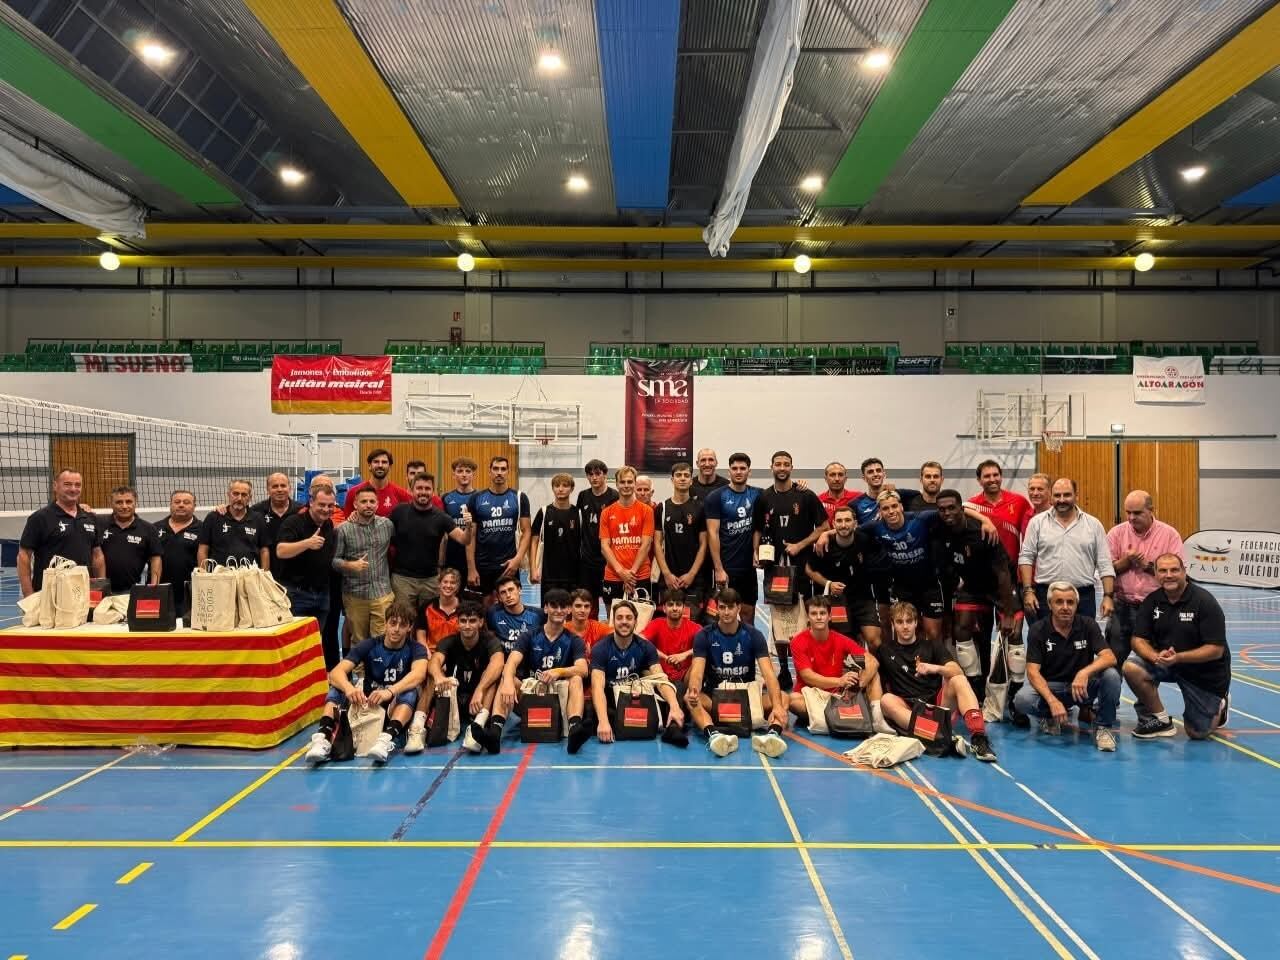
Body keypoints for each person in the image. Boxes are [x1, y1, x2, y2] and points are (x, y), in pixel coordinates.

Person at [304, 601, 428, 764]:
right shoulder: (370, 644)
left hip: (394, 704)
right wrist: (349, 688)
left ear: (409, 627)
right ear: (385, 623)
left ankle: (386, 740)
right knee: (338, 687)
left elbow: (418, 675)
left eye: (402, 625)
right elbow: (335, 673)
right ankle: (323, 738)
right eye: (393, 623)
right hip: (369, 702)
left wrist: (390, 691)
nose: (396, 629)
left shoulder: (415, 648)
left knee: (410, 691)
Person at [1124, 553, 1231, 741]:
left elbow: (1216, 650)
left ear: (1184, 572)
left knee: (1197, 733)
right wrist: (1154, 656)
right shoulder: (1152, 601)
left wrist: (1179, 657)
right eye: (1163, 571)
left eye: (1174, 570)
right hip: (1167, 664)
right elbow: (1138, 639)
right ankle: (1162, 721)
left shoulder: (1204, 602)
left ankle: (1219, 706)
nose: (1169, 575)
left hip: (1203, 674)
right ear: (1155, 574)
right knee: (1131, 668)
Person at [875, 601, 997, 762]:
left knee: (958, 680)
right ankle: (940, 736)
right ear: (892, 624)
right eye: (900, 622)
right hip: (909, 711)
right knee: (886, 700)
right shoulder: (884, 650)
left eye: (909, 621)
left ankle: (978, 738)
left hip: (936, 708)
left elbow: (957, 671)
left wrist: (934, 668)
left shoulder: (932, 646)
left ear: (916, 622)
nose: (905, 626)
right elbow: (874, 677)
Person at [684, 587, 789, 758]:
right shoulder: (704, 635)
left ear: (738, 608)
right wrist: (695, 689)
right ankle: (714, 735)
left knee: (783, 697)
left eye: (730, 607)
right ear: (716, 608)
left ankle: (772, 736)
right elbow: (697, 670)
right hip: (716, 698)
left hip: (748, 697)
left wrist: (777, 706)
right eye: (722, 607)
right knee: (690, 698)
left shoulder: (753, 635)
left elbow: (769, 674)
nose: (726, 612)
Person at [1014, 582, 1120, 751]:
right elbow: (1033, 672)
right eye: (1059, 602)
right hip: (1052, 687)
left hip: (1081, 688)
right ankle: (1049, 716)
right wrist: (1052, 701)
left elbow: (1109, 657)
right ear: (1049, 604)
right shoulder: (1038, 629)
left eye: (1070, 602)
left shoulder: (1087, 624)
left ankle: (1103, 728)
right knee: (1022, 700)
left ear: (1077, 604)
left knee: (1112, 676)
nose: (1065, 607)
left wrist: (1084, 673)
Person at [753, 450, 828, 688]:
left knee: (807, 617)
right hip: (775, 569)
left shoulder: (805, 495)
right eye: (778, 464)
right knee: (780, 621)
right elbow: (757, 529)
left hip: (803, 567)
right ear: (771, 467)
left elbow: (824, 526)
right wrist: (756, 552)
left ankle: (810, 669)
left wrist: (801, 545)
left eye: (786, 464)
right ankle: (784, 669)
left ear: (792, 467)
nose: (782, 467)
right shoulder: (764, 497)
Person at [934, 489, 1018, 700]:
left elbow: (1003, 573)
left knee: (1015, 635)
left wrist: (1007, 613)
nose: (947, 513)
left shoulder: (984, 532)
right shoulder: (940, 530)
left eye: (951, 508)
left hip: (999, 587)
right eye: (942, 509)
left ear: (962, 509)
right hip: (971, 588)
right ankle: (976, 686)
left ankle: (1013, 696)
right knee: (961, 630)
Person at [572, 600, 686, 751]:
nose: (624, 622)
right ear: (614, 620)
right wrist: (604, 721)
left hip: (637, 696)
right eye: (619, 618)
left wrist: (674, 706)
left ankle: (672, 728)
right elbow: (597, 687)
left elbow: (660, 678)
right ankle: (600, 727)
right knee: (592, 711)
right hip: (614, 699)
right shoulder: (601, 648)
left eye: (628, 618)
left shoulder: (645, 646)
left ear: (635, 621)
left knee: (677, 687)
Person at [492, 589, 589, 752]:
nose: (559, 611)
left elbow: (583, 669)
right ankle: (494, 732)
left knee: (577, 678)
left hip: (559, 698)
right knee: (507, 679)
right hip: (531, 694)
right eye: (554, 606)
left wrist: (558, 671)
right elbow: (511, 662)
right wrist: (508, 682)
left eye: (563, 607)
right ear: (545, 608)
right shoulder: (529, 635)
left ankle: (574, 730)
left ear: (569, 610)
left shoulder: (574, 640)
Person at [410, 601, 505, 753]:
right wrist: (439, 676)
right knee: (431, 677)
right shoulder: (449, 641)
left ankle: (476, 729)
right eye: (463, 621)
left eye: (472, 621)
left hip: (478, 700)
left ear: (481, 622)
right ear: (457, 622)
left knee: (494, 677)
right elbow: (434, 661)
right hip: (454, 697)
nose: (467, 626)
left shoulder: (490, 641)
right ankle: (416, 730)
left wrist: (480, 689)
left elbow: (498, 662)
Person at [787, 594, 890, 732]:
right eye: (814, 613)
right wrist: (839, 681)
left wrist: (858, 685)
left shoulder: (840, 639)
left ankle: (877, 720)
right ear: (807, 617)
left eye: (823, 613)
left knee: (874, 674)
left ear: (829, 617)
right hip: (813, 696)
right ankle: (843, 718)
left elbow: (872, 661)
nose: (818, 617)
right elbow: (808, 676)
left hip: (840, 696)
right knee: (793, 701)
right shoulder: (798, 641)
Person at [1107, 490, 1185, 667]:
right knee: (1112, 663)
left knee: (1152, 664)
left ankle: (1145, 695)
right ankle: (1111, 696)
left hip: (1157, 608)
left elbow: (1178, 575)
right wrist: (1126, 562)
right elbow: (1106, 571)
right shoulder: (1115, 534)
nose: (1131, 518)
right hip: (1122, 607)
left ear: (1151, 510)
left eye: (1137, 513)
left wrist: (1149, 567)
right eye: (1128, 512)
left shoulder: (1170, 535)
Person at [1019, 478, 1115, 622]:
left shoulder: (1094, 525)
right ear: (1051, 497)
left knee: (1083, 643)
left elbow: (1104, 563)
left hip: (1083, 597)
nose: (1062, 500)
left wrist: (1108, 596)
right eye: (1057, 495)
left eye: (1067, 495)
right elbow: (1026, 557)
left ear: (1076, 495)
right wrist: (1028, 591)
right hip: (1046, 596)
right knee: (1046, 643)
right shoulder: (1036, 523)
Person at [275, 486, 338, 666]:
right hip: (297, 594)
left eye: (330, 505)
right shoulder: (293, 522)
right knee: (293, 645)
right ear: (311, 502)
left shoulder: (328, 524)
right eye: (321, 505)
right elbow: (280, 551)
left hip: (322, 594)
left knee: (315, 643)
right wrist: (307, 543)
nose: (326, 509)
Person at [18, 469, 105, 597]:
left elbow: (97, 555)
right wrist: (28, 594)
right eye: (67, 484)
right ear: (55, 486)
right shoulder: (40, 518)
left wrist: (101, 588)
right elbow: (24, 556)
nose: (73, 489)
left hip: (82, 593)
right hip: (49, 594)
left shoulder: (90, 518)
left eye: (78, 485)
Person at [806, 504, 882, 649]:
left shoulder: (865, 540)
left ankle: (875, 671)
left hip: (862, 599)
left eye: (847, 520)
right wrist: (829, 584)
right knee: (843, 645)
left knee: (875, 641)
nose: (843, 525)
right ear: (833, 524)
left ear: (855, 523)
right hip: (836, 602)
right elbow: (809, 570)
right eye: (839, 521)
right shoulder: (824, 545)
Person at [389, 474, 467, 611]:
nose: (423, 492)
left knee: (429, 621)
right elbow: (379, 528)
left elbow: (464, 539)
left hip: (430, 580)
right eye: (419, 488)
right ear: (411, 490)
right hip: (402, 579)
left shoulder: (441, 517)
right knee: (403, 621)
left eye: (427, 488)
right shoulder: (398, 512)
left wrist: (470, 526)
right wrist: (355, 517)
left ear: (433, 492)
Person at [704, 452, 763, 624]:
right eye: (734, 468)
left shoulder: (758, 495)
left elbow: (779, 493)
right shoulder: (716, 497)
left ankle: (746, 649)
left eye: (742, 468)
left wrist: (799, 485)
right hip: (726, 567)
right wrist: (719, 569)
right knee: (721, 615)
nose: (739, 472)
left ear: (749, 472)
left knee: (747, 613)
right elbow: (712, 534)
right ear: (729, 471)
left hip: (749, 569)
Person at [332, 487, 395, 645]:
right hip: (355, 595)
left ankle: (378, 670)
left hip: (382, 593)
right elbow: (334, 561)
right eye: (364, 502)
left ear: (377, 504)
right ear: (355, 504)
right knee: (359, 641)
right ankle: (360, 671)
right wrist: (350, 565)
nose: (368, 505)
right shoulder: (343, 530)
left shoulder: (387, 525)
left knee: (382, 640)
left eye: (372, 501)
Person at [466, 456, 532, 601]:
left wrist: (518, 559)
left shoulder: (519, 497)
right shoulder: (476, 498)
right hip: (483, 564)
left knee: (510, 604)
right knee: (485, 608)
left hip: (509, 564)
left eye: (503, 469)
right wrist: (471, 568)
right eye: (495, 469)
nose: (499, 472)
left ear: (508, 472)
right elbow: (470, 536)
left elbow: (527, 531)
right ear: (490, 472)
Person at [654, 461, 709, 604]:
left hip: (694, 579)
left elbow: (704, 544)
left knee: (693, 622)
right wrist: (666, 574)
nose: (683, 478)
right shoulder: (662, 507)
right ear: (672, 480)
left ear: (691, 480)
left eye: (686, 475)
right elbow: (657, 544)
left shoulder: (700, 508)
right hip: (668, 577)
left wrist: (692, 574)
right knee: (669, 621)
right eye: (678, 475)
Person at [599, 465, 654, 605]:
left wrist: (631, 574)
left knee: (641, 623)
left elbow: (646, 545)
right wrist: (621, 572)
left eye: (630, 482)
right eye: (622, 482)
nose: (626, 485)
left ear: (635, 484)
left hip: (639, 575)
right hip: (613, 575)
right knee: (613, 622)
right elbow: (605, 547)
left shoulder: (647, 511)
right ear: (616, 484)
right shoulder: (607, 512)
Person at [968, 460, 1034, 572]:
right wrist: (985, 519)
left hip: (1011, 569)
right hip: (983, 569)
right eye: (987, 476)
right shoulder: (971, 504)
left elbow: (1033, 529)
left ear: (1001, 476)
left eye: (995, 475)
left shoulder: (1019, 501)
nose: (992, 479)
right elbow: (960, 508)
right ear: (979, 480)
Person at [99, 485, 161, 593]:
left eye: (128, 502)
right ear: (111, 504)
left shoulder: (148, 529)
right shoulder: (99, 525)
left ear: (135, 502)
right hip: (102, 590)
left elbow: (156, 558)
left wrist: (154, 588)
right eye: (119, 502)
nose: (124, 506)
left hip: (134, 591)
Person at [575, 459, 619, 613]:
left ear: (605, 475)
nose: (594, 477)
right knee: (588, 603)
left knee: (610, 604)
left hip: (608, 560)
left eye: (598, 474)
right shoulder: (582, 496)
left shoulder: (614, 496)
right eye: (590, 474)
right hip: (587, 560)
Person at [197, 479, 268, 570]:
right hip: (220, 576)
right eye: (235, 493)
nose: (239, 498)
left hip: (249, 576)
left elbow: (264, 550)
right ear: (228, 495)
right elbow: (203, 549)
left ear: (250, 498)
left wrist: (264, 575)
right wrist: (203, 575)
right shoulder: (213, 517)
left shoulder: (258, 519)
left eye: (244, 495)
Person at [531, 472, 580, 594]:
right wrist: (533, 569)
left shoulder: (578, 513)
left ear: (572, 488)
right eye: (557, 486)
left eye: (565, 485)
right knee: (549, 611)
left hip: (573, 575)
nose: (561, 489)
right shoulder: (544, 512)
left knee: (570, 611)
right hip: (549, 575)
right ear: (552, 488)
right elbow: (534, 541)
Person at [642, 589, 701, 688]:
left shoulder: (694, 627)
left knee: (700, 659)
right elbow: (640, 639)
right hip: (661, 675)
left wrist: (685, 655)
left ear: (683, 608)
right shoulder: (657, 623)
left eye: (678, 604)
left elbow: (709, 644)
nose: (674, 608)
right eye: (670, 604)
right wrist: (664, 656)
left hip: (686, 677)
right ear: (664, 608)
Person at [156, 489, 200, 617]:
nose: (181, 505)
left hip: (190, 594)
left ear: (194, 506)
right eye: (177, 502)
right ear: (171, 504)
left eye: (186, 502)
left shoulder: (203, 529)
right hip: (161, 592)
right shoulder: (154, 528)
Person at [486, 575, 546, 655]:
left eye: (511, 590)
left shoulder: (538, 614)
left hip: (529, 662)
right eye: (503, 592)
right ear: (499, 597)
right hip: (504, 662)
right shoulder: (493, 613)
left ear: (519, 590)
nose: (508, 595)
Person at [343, 448, 413, 516]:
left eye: (384, 462)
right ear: (369, 466)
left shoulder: (402, 495)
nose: (380, 465)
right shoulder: (353, 493)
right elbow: (348, 523)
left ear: (390, 467)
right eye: (376, 462)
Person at [252, 472, 297, 570]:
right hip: (265, 571)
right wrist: (224, 508)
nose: (279, 489)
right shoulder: (256, 511)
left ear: (289, 488)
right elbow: (238, 514)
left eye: (283, 486)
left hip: (294, 573)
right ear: (268, 490)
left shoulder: (300, 511)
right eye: (275, 486)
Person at [441, 457, 477, 579]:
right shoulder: (446, 498)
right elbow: (443, 534)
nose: (464, 475)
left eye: (468, 471)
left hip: (476, 557)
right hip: (452, 556)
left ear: (473, 475)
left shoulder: (480, 497)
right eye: (460, 471)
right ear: (454, 475)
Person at [415, 567, 463, 650]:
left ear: (458, 586)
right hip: (431, 653)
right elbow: (421, 637)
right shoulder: (426, 606)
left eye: (452, 583)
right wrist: (427, 655)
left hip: (457, 655)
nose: (448, 585)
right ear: (439, 584)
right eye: (445, 582)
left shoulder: (464, 607)